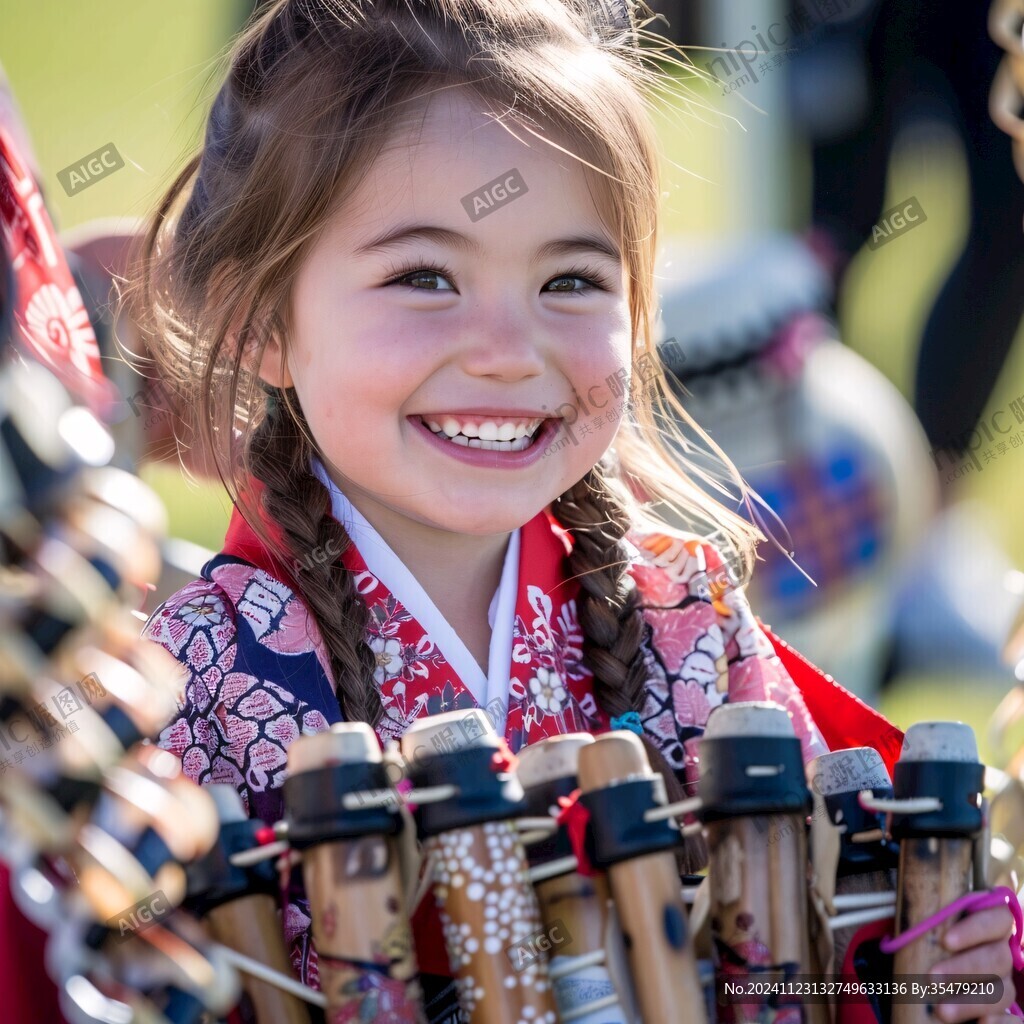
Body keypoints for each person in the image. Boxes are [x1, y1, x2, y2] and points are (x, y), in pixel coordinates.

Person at [124, 0, 1020, 1020]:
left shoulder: (687, 616)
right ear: (260, 320)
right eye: (423, 276)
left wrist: (916, 970)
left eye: (570, 279)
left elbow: (803, 963)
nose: (509, 349)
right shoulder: (197, 674)